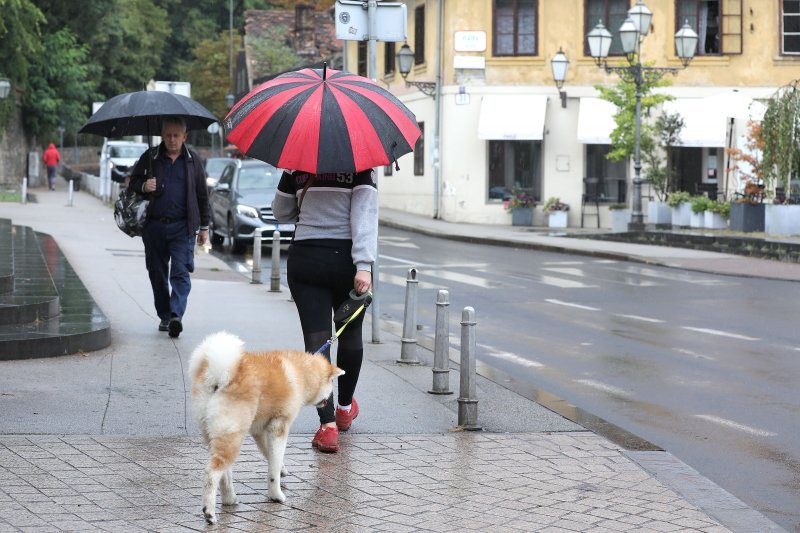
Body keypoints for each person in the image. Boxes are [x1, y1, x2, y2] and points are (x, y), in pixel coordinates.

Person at [272, 168, 378, 453]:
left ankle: (327, 426)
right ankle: (344, 408)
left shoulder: (296, 166)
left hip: (306, 258)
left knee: (317, 343)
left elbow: (280, 211)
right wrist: (364, 266)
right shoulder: (360, 166)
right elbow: (364, 216)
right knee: (351, 335)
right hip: (347, 261)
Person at [128, 116, 210, 338]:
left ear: (185, 136)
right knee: (157, 272)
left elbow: (203, 195)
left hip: (182, 228)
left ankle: (176, 315)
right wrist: (144, 184)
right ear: (162, 136)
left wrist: (204, 227)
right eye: (168, 135)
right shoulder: (151, 157)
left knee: (180, 272)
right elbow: (133, 182)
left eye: (176, 135)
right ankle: (165, 314)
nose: (172, 140)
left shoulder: (193, 161)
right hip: (153, 227)